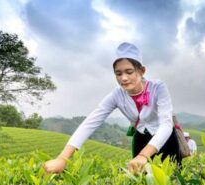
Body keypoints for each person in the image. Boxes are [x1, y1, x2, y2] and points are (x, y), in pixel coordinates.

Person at [44, 42, 182, 174]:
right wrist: (62, 158)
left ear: (142, 71)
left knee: (173, 177)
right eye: (118, 73)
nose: (124, 78)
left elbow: (166, 124)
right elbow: (90, 123)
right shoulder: (117, 95)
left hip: (165, 139)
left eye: (129, 72)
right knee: (141, 180)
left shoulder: (158, 88)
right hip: (141, 138)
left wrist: (144, 155)